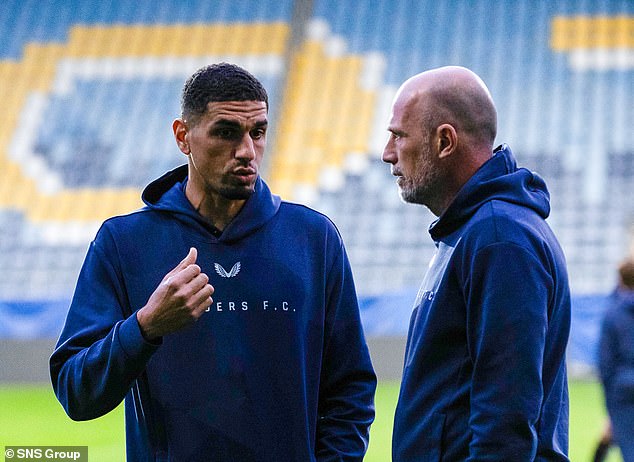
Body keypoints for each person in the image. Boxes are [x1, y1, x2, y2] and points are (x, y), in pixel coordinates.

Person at [50, 62, 376, 461]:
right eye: (226, 132)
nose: (247, 151)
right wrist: (146, 326)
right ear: (183, 136)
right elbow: (75, 393)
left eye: (258, 132)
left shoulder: (314, 238)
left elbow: (351, 389)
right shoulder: (124, 243)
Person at [382, 66, 571, 461]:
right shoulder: (475, 231)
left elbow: (505, 419)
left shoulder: (500, 238)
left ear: (444, 141)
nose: (388, 153)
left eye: (399, 135)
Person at [598, 259, 634, 462]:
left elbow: (606, 363)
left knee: (628, 448)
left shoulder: (613, 313)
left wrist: (610, 404)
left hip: (623, 390)